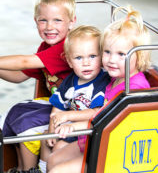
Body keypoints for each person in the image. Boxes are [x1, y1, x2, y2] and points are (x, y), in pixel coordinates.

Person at [46, 6, 151, 173]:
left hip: (114, 149)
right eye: (107, 52)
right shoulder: (115, 78)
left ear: (139, 57)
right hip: (97, 140)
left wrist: (73, 125)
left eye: (121, 54)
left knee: (57, 170)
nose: (111, 60)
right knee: (53, 159)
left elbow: (105, 117)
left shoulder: (134, 87)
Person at [0, 0, 76, 173]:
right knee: (14, 112)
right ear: (36, 21)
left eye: (57, 20)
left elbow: (24, 61)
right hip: (57, 103)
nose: (49, 27)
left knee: (26, 122)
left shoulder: (66, 47)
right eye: (43, 20)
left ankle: (28, 170)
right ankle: (20, 168)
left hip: (74, 109)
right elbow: (19, 75)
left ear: (72, 22)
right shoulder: (46, 46)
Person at [37, 25, 110, 173]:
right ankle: (41, 169)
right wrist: (53, 128)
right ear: (69, 61)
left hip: (88, 131)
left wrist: (67, 115)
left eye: (92, 56)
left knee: (58, 147)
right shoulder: (70, 81)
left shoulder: (101, 81)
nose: (86, 63)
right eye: (78, 58)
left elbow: (95, 112)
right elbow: (57, 106)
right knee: (47, 138)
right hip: (70, 128)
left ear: (102, 57)